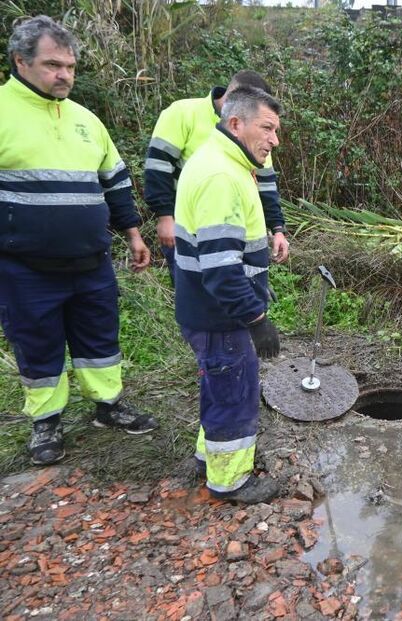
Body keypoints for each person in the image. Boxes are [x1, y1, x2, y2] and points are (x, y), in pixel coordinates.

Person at [0, 16, 158, 466]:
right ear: (21, 61)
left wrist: (133, 234)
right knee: (37, 343)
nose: (64, 75)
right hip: (24, 267)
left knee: (101, 338)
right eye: (53, 65)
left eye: (69, 66)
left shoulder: (86, 120)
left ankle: (108, 406)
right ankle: (46, 422)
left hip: (92, 261)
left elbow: (116, 182)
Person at [173, 86, 283, 504]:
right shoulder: (221, 175)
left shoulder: (222, 162)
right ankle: (231, 481)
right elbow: (221, 270)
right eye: (267, 128)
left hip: (208, 312)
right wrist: (256, 318)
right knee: (235, 393)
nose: (274, 140)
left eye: (276, 130)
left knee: (218, 386)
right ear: (235, 123)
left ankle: (209, 457)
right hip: (220, 316)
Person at [144, 70, 289, 276]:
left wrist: (277, 229)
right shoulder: (183, 112)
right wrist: (164, 217)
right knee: (197, 285)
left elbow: (266, 185)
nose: (274, 140)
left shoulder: (258, 134)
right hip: (190, 228)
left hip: (236, 230)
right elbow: (158, 167)